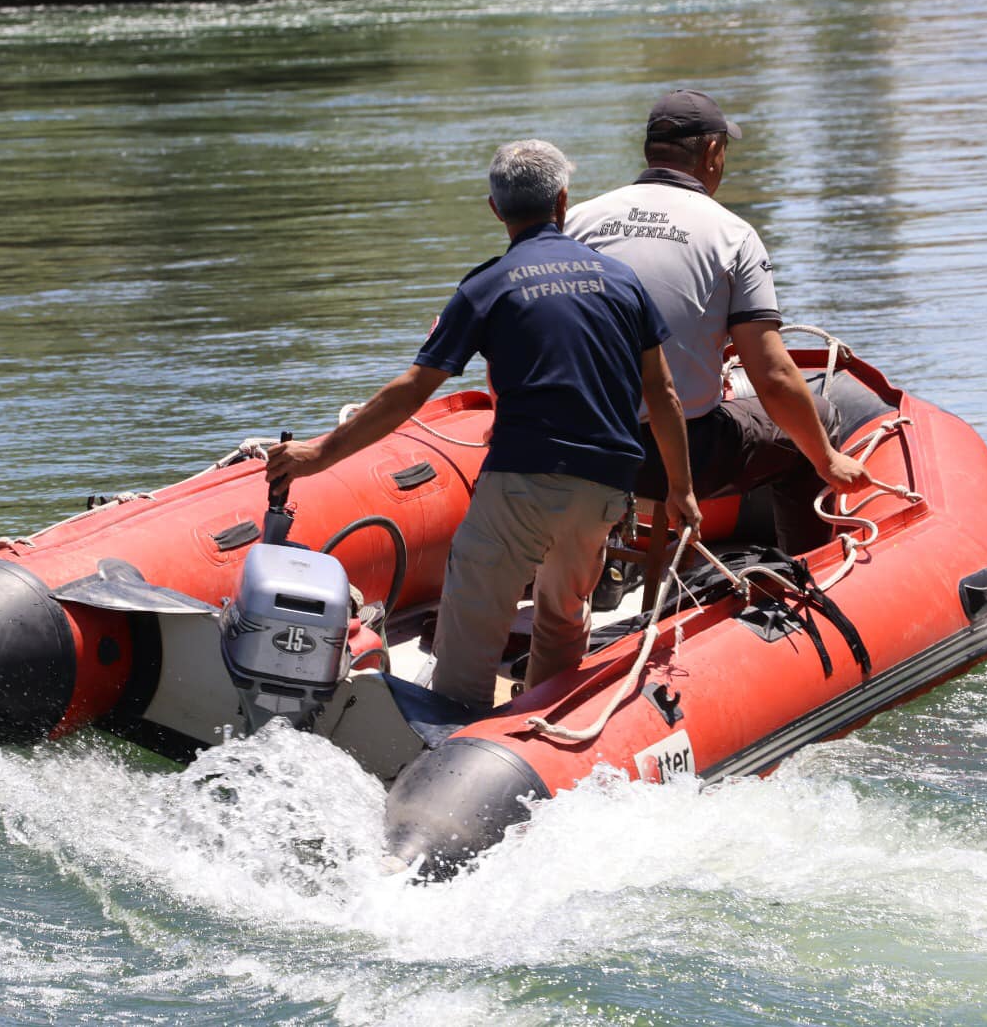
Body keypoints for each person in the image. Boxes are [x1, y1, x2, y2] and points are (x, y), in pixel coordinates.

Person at [267, 139, 701, 712]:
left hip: (522, 477)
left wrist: (316, 455)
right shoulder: (621, 282)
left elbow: (411, 391)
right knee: (564, 616)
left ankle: (452, 743)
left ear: (496, 210)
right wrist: (681, 489)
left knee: (471, 626)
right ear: (563, 201)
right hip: (604, 485)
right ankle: (543, 724)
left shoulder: (487, 286)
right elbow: (663, 391)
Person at [565, 89, 871, 550]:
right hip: (673, 456)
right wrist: (827, 459)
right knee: (817, 421)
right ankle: (806, 577)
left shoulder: (576, 221)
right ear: (712, 152)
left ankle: (601, 558)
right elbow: (771, 376)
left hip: (574, 444)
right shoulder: (732, 235)